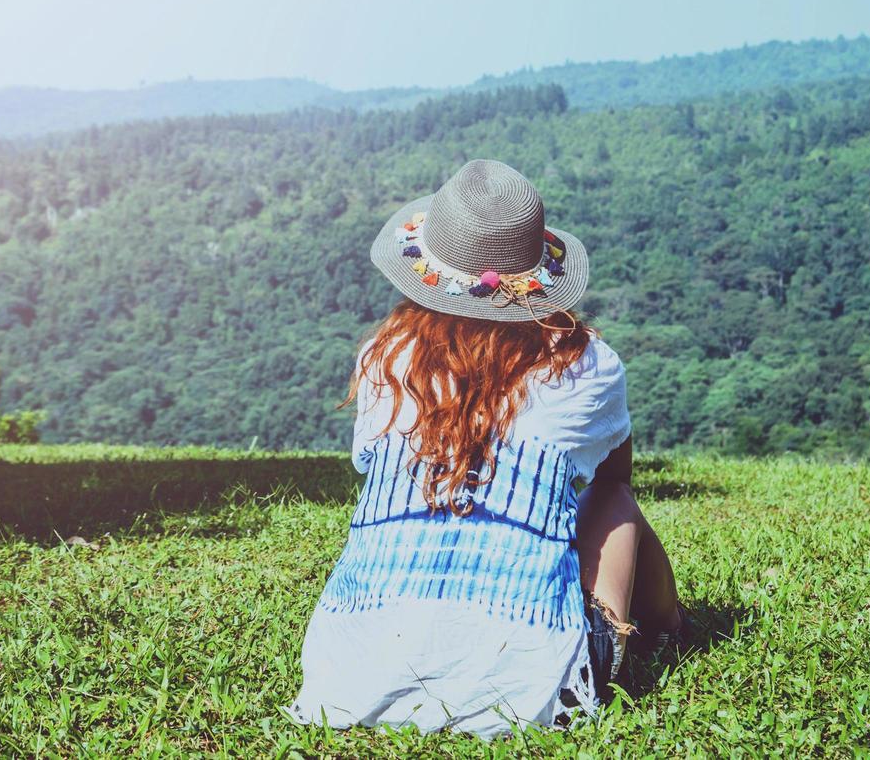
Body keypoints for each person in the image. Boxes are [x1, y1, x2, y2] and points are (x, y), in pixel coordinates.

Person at [287, 158, 686, 738]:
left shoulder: (383, 356)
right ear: (536, 273)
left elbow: (370, 468)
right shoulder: (589, 363)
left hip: (346, 681)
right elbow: (612, 475)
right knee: (616, 501)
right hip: (535, 697)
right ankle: (671, 628)